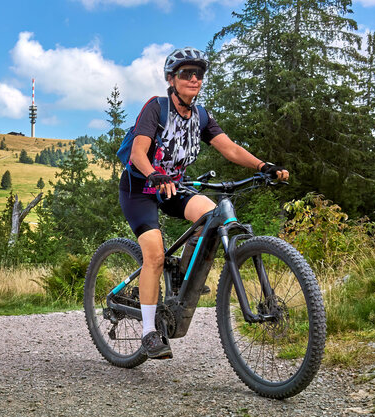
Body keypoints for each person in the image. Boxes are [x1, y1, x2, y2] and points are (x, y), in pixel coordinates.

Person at [119, 47, 289, 359]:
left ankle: (184, 275)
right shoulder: (156, 109)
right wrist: (153, 174)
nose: (194, 79)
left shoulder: (200, 116)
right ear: (172, 79)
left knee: (213, 216)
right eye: (186, 73)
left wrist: (263, 166)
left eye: (199, 74)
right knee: (154, 256)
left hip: (174, 186)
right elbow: (138, 153)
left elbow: (231, 149)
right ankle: (148, 333)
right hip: (141, 187)